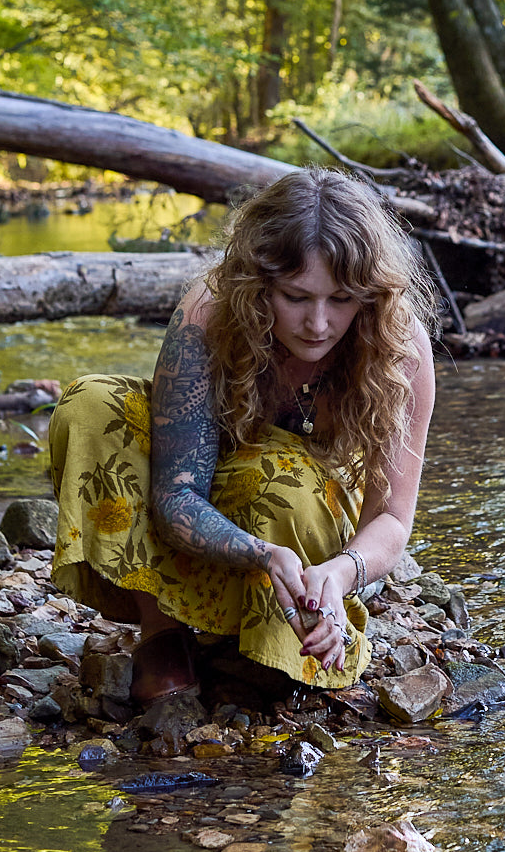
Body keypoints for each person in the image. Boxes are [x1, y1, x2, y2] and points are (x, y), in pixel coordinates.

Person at [47, 167, 437, 704]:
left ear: (370, 296)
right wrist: (261, 555)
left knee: (284, 479)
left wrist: (340, 577)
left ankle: (288, 636)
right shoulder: (208, 315)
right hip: (212, 511)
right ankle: (163, 634)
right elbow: (176, 496)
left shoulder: (401, 349)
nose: (318, 324)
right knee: (92, 406)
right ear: (259, 284)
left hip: (308, 528)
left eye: (342, 300)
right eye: (296, 297)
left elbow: (392, 517)